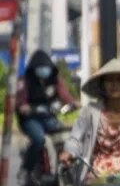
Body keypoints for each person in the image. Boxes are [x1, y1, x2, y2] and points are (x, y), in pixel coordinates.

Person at [16, 50, 79, 178]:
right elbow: (20, 100)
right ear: (34, 69)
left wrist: (73, 103)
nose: (44, 71)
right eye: (41, 68)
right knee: (39, 139)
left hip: (48, 116)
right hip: (30, 119)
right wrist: (24, 107)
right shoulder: (25, 81)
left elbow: (64, 94)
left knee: (64, 135)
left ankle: (64, 170)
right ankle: (26, 169)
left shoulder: (54, 80)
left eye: (46, 68)